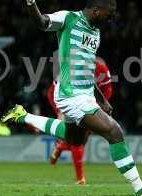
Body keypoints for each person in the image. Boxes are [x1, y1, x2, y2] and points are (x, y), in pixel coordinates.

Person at [1, 0, 142, 196]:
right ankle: (141, 191)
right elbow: (41, 22)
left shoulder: (96, 33)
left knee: (75, 139)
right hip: (70, 95)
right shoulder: (68, 18)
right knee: (114, 132)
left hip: (85, 93)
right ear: (97, 10)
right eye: (109, 15)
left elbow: (87, 69)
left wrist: (101, 98)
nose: (110, 19)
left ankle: (23, 116)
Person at [48, 57, 113, 185]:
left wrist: (102, 105)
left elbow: (108, 89)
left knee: (81, 140)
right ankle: (80, 178)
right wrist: (59, 111)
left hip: (89, 102)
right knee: (78, 139)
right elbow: (53, 92)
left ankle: (60, 146)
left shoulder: (101, 68)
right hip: (66, 101)